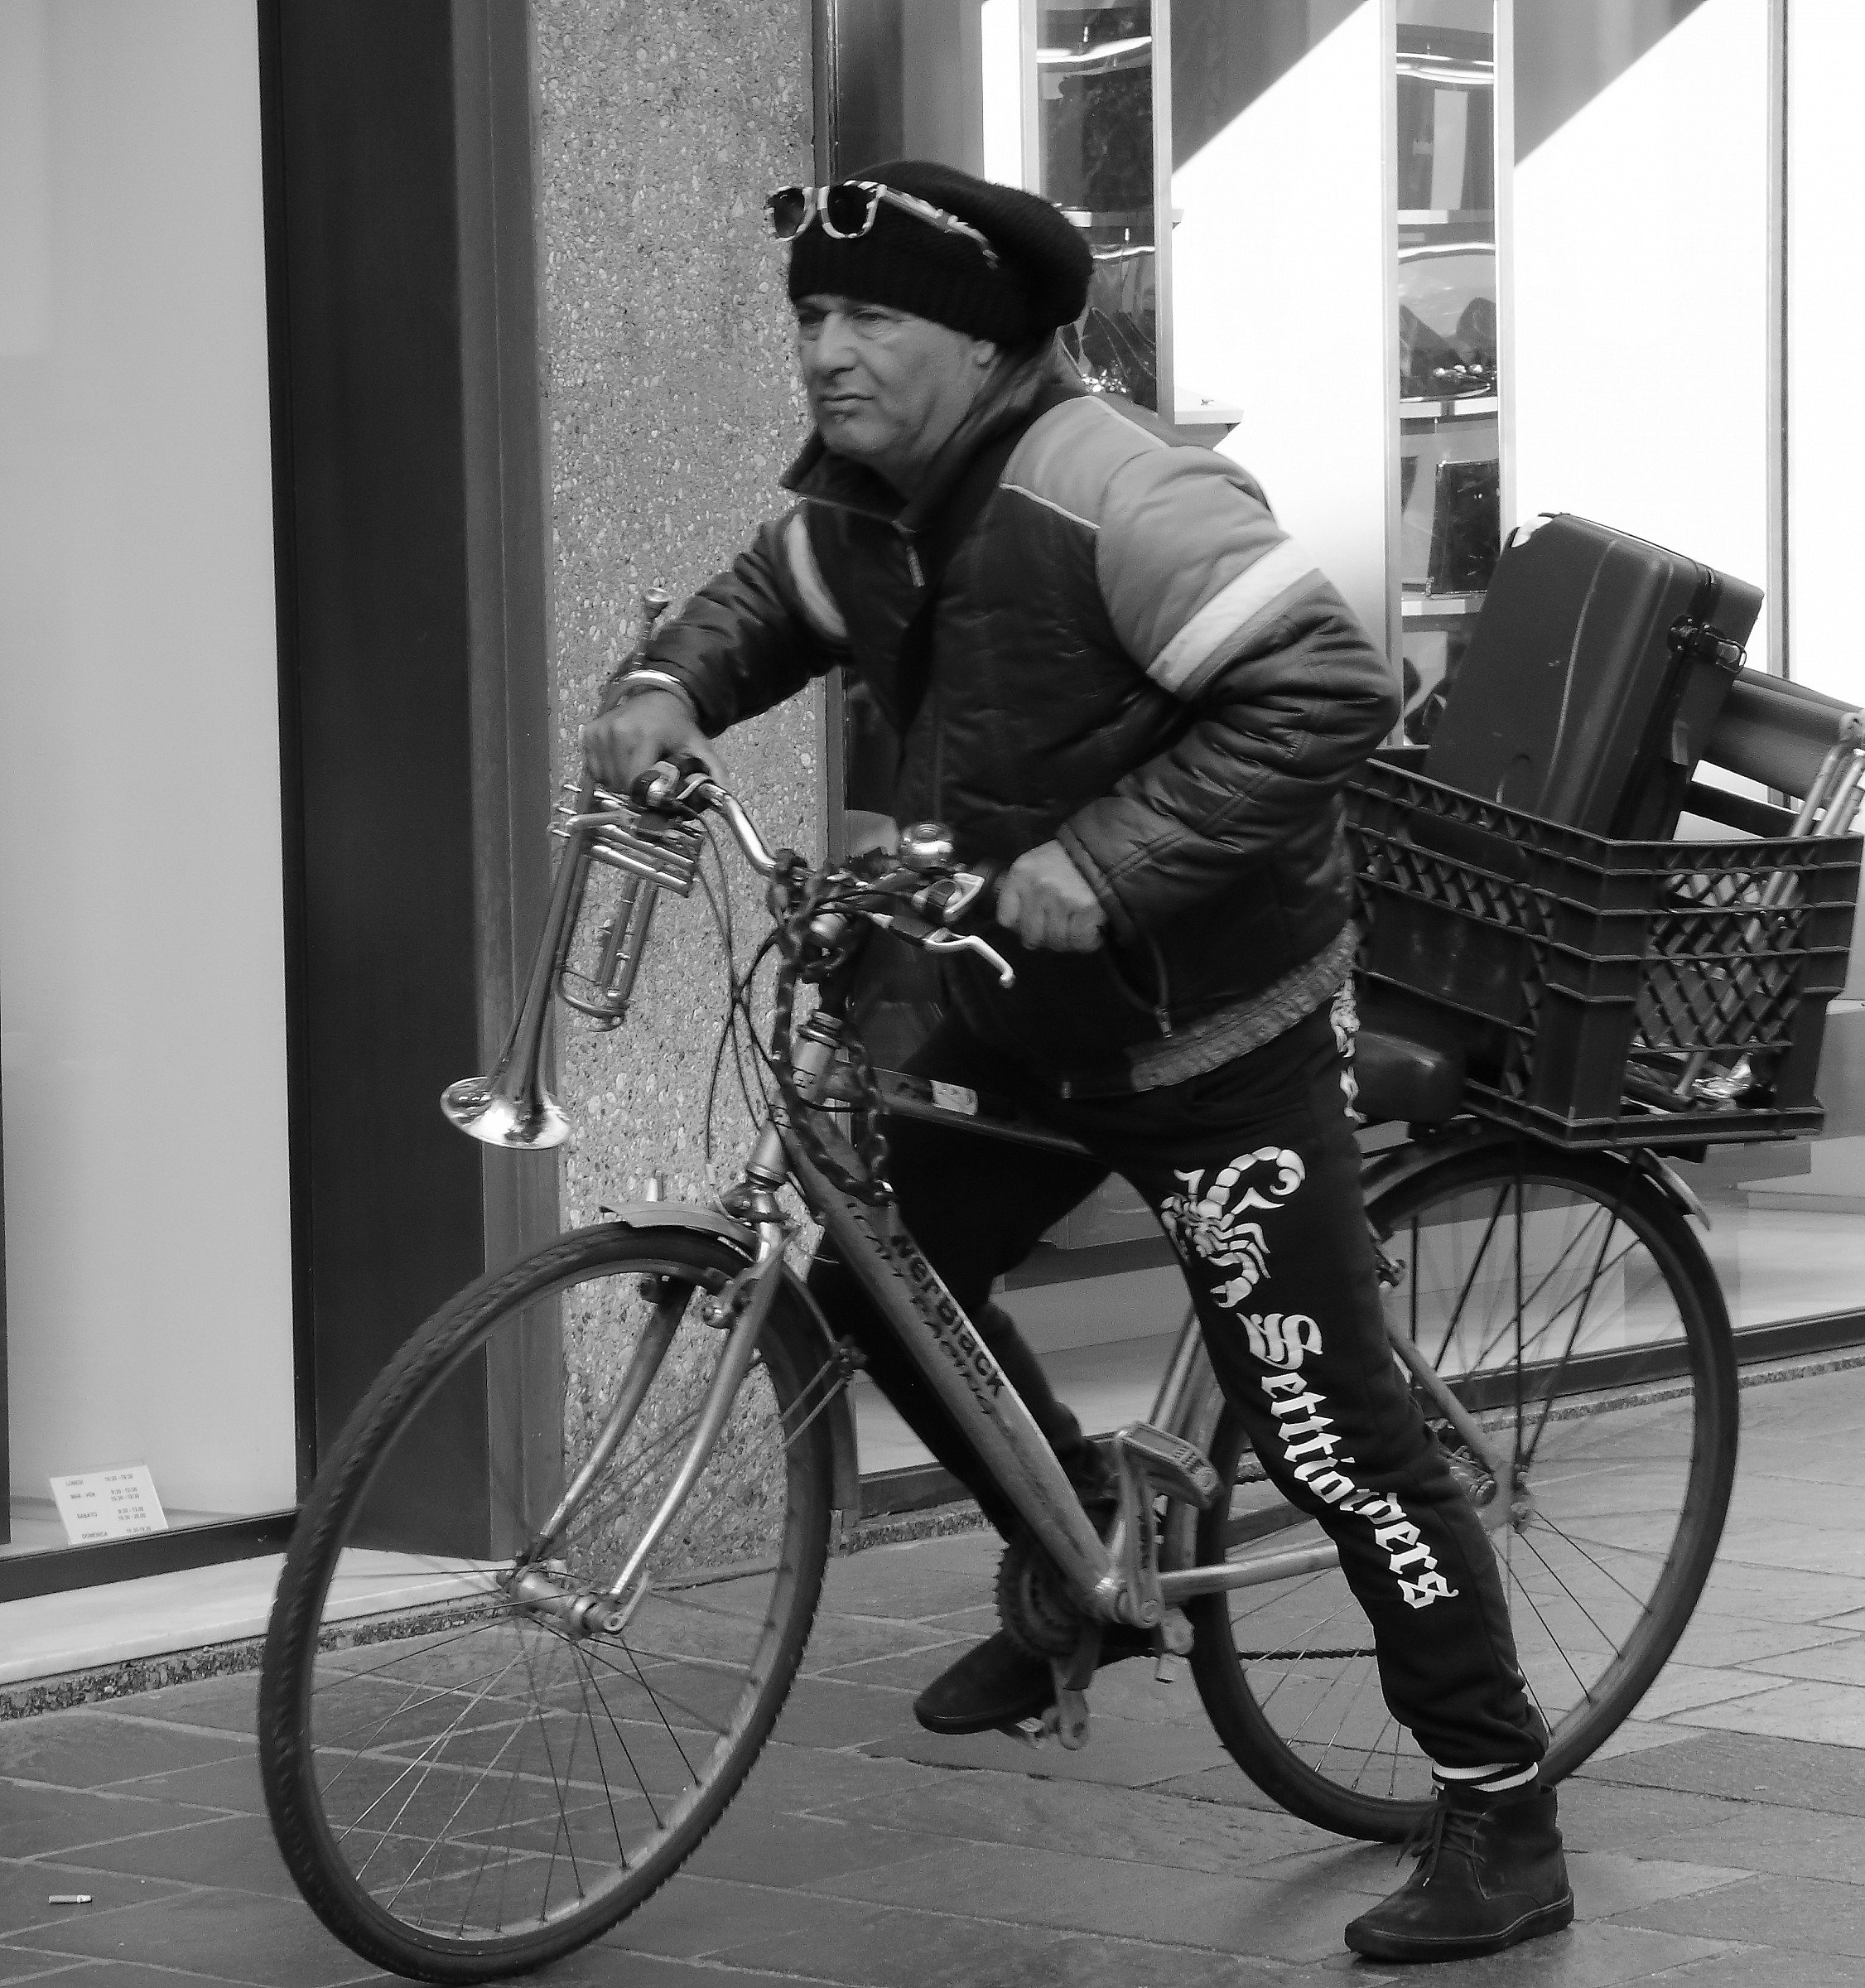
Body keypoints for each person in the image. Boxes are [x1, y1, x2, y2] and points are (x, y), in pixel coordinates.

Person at [583, 160, 1571, 1964]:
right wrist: (666, 690)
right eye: (812, 314)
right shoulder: (865, 506)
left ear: (989, 342)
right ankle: (1078, 1568)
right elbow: (760, 606)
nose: (827, 349)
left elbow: (1326, 691)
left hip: (1215, 1034)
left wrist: (1101, 859)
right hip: (1020, 1017)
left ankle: (1502, 1810)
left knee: (1325, 1425)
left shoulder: (1112, 489)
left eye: (874, 317)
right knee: (878, 1280)